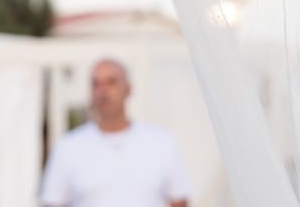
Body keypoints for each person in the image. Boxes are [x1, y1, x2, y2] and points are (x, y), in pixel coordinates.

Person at [41, 58, 192, 207]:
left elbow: (179, 200)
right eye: (96, 84)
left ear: (128, 88)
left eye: (111, 82)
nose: (103, 91)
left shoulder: (161, 142)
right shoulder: (68, 147)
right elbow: (53, 202)